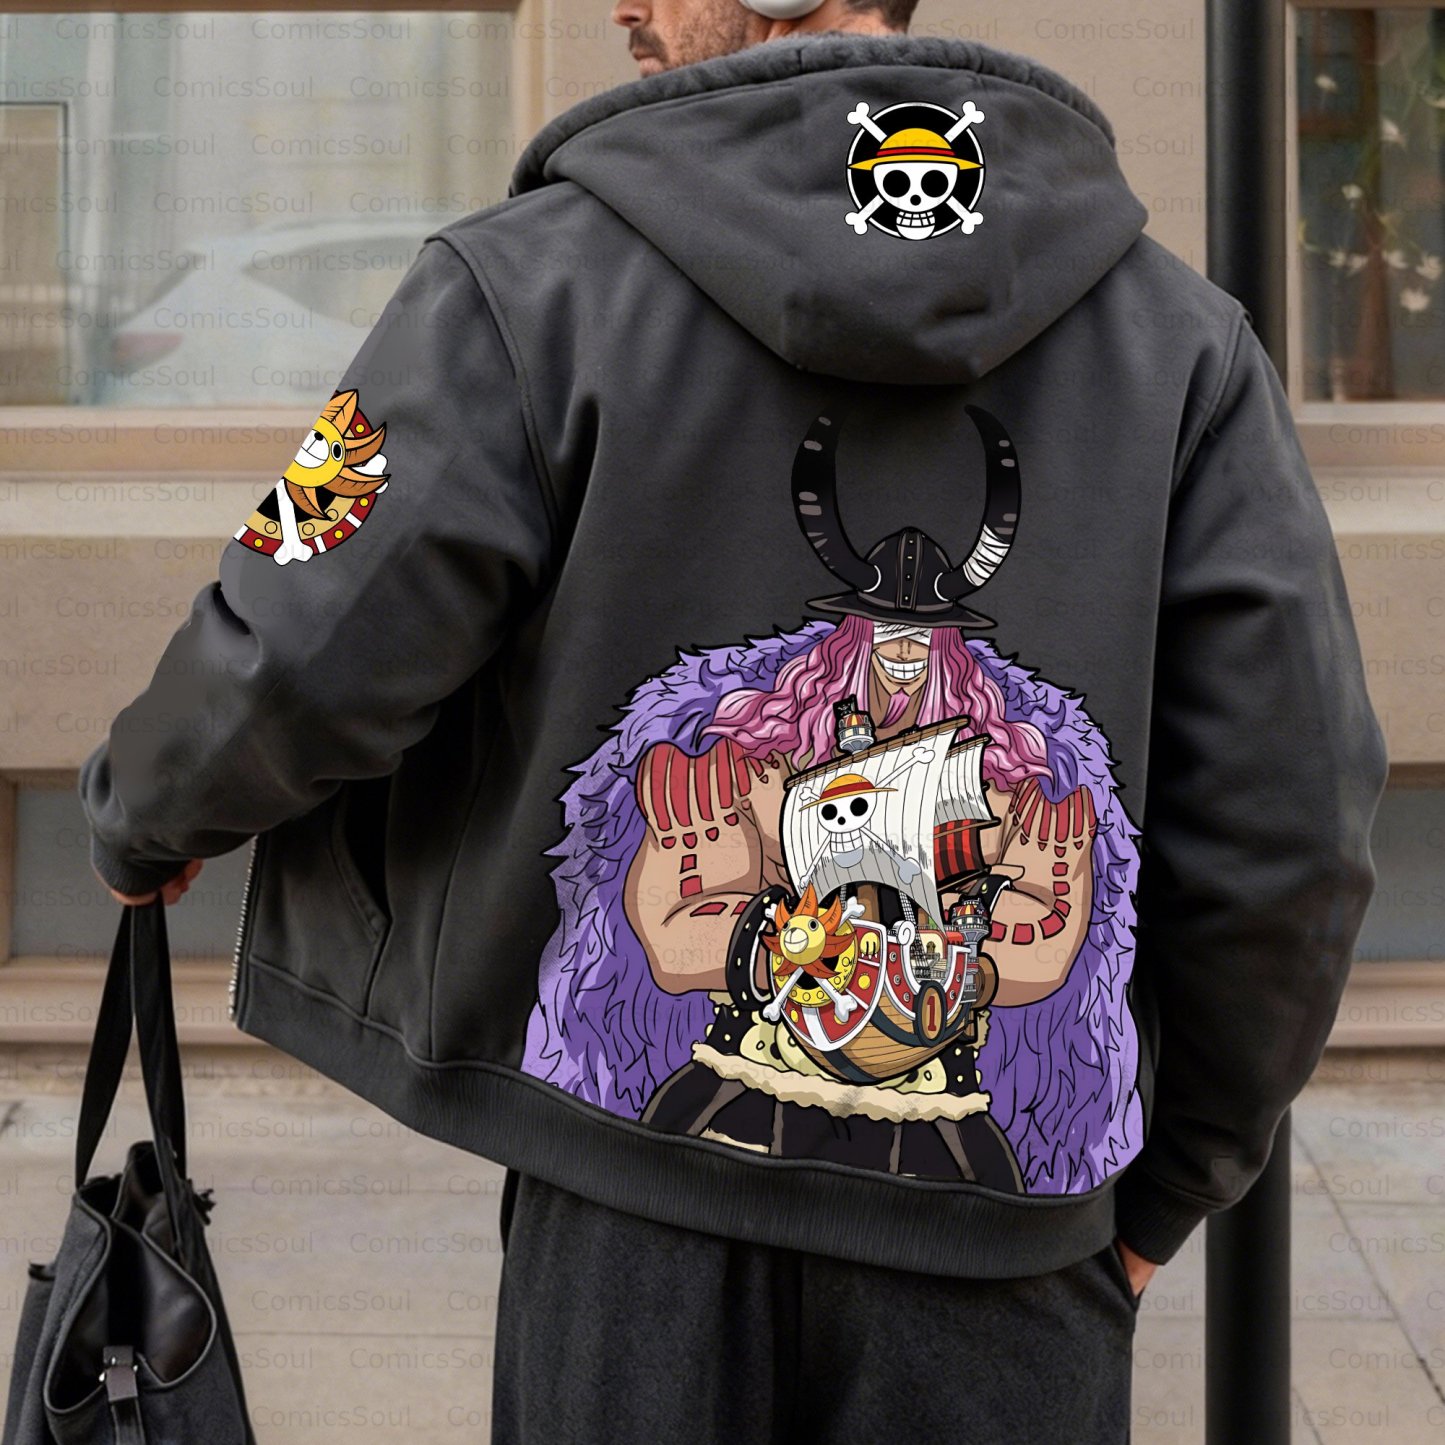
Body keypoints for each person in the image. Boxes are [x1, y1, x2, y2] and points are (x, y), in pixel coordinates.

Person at [83, 3, 1388, 1441]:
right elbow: (1295, 821)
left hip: (631, 1216)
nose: (624, 10)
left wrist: (148, 807)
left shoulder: (526, 289)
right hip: (1008, 1246)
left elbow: (297, 629)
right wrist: (1171, 1184)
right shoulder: (1182, 346)